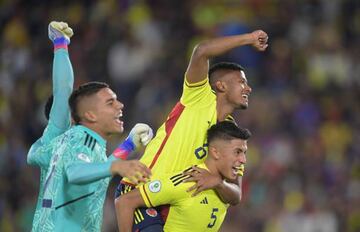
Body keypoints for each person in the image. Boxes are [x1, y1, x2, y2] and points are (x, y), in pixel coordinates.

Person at [115, 30, 268, 231]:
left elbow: (236, 194)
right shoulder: (198, 97)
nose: (248, 88)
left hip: (171, 201)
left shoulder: (229, 136)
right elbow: (201, 50)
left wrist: (218, 183)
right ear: (220, 85)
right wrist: (247, 39)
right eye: (241, 82)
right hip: (140, 187)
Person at [28, 22, 153, 232]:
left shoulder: (81, 144)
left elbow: (98, 171)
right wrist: (60, 43)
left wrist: (129, 144)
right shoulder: (71, 135)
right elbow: (62, 91)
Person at [116, 121, 251, 232]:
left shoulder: (226, 184)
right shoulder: (188, 180)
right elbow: (124, 202)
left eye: (244, 153)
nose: (243, 160)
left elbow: (235, 198)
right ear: (215, 152)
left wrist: (219, 183)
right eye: (237, 152)